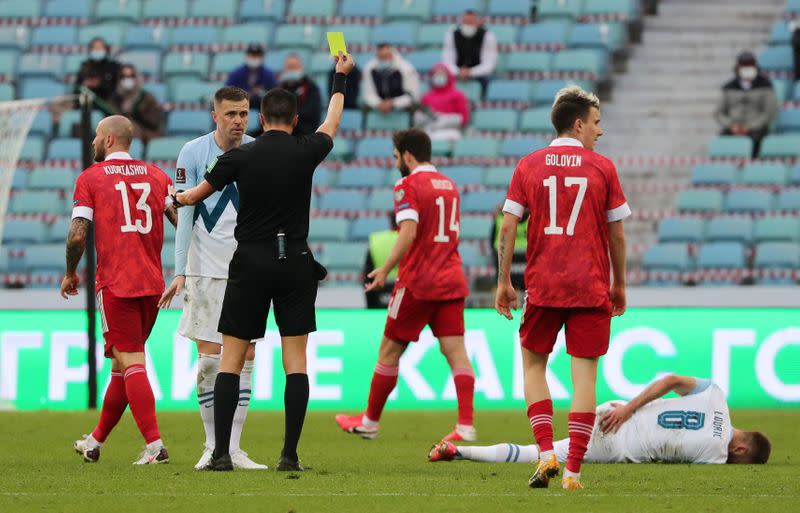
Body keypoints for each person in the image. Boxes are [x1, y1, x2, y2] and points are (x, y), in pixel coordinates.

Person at [173, 53, 357, 471]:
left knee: (232, 359)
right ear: (294, 121)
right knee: (296, 362)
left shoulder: (242, 156)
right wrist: (340, 78)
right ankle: (289, 454)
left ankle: (220, 453)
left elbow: (196, 194)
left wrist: (176, 198)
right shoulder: (307, 149)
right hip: (294, 260)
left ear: (259, 117)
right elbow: (331, 122)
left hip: (250, 261)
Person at [495, 86, 629, 490]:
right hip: (590, 286)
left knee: (533, 366)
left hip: (544, 284)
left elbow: (507, 225)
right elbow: (617, 235)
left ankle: (546, 452)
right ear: (578, 123)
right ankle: (573, 472)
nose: (599, 131)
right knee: (585, 379)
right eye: (596, 122)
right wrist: (619, 283)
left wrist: (504, 281)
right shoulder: (602, 168)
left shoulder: (529, 165)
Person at [335, 129, 476, 443]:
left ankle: (369, 421)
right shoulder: (449, 185)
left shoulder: (407, 184)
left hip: (418, 282)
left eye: (396, 156)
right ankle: (465, 424)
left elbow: (409, 231)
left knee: (388, 351)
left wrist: (384, 269)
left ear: (408, 155)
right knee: (456, 353)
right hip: (451, 279)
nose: (395, 162)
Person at [158, 87, 265, 470]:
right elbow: (184, 211)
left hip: (246, 270)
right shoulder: (193, 152)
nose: (239, 120)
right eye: (232, 114)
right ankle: (210, 445)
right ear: (215, 116)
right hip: (204, 267)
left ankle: (233, 448)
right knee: (209, 360)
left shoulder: (258, 149)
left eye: (244, 113)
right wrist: (180, 270)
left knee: (246, 357)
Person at [63, 115, 176, 465]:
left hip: (117, 283)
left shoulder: (91, 178)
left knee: (131, 361)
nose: (93, 142)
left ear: (109, 139)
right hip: (153, 284)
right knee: (122, 366)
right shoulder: (158, 176)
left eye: (97, 136)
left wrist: (70, 272)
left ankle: (155, 446)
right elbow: (181, 222)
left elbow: (78, 234)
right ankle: (95, 441)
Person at [428, 375, 771, 466]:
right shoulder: (715, 453)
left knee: (542, 451)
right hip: (613, 445)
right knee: (536, 454)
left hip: (612, 411)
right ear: (740, 449)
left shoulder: (716, 394)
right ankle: (460, 452)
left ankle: (458, 451)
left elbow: (669, 381)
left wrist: (628, 408)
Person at [714, 51, 778, 158]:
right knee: (721, 142)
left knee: (755, 141)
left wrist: (750, 126)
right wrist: (731, 125)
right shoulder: (728, 87)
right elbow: (719, 112)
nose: (747, 68)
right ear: (738, 67)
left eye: (750, 65)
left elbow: (769, 112)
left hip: (756, 128)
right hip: (733, 127)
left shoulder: (765, 85)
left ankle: (752, 169)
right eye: (744, 65)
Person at [442, 10, 499, 98]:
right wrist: (458, 71)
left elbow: (489, 64)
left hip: (480, 74)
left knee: (491, 82)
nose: (467, 25)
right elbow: (447, 60)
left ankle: (484, 102)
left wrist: (470, 72)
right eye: (465, 22)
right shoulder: (451, 35)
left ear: (478, 22)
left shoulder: (488, 36)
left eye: (470, 22)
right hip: (457, 72)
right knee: (440, 79)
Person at [414, 64, 470, 141]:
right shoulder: (426, 97)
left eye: (441, 74)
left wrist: (445, 120)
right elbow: (420, 115)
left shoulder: (458, 95)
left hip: (451, 131)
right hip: (430, 130)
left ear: (448, 76)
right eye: (436, 74)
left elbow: (464, 118)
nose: (438, 77)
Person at [110, 64, 162, 143]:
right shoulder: (114, 99)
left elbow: (154, 121)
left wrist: (135, 112)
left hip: (146, 135)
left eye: (131, 76)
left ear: (136, 78)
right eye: (123, 76)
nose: (127, 79)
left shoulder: (147, 98)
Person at [362, 43, 421, 114]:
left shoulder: (407, 68)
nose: (384, 59)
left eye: (387, 56)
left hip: (403, 109)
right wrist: (379, 104)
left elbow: (412, 95)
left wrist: (393, 103)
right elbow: (368, 94)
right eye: (381, 57)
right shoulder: (370, 68)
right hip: (379, 109)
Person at [74, 37, 121, 116]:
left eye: (100, 48)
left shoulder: (113, 66)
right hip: (86, 104)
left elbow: (117, 88)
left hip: (107, 103)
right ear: (90, 50)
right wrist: (85, 84)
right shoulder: (85, 66)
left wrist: (99, 83)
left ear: (106, 49)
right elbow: (77, 88)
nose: (97, 50)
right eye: (95, 48)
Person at [225, 43, 278, 110]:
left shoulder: (269, 75)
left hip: (262, 105)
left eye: (257, 55)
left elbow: (275, 94)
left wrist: (262, 92)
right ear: (246, 56)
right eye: (252, 55)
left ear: (262, 57)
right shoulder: (236, 74)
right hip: (239, 105)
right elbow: (227, 92)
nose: (254, 58)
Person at [278, 54, 322, 136]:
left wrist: (287, 117)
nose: (292, 70)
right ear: (284, 69)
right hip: (281, 132)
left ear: (301, 68)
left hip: (304, 132)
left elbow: (312, 113)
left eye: (294, 67)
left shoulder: (311, 88)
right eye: (289, 67)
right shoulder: (278, 88)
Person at [363, 212, 398, 309]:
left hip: (380, 290)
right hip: (405, 291)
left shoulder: (377, 240)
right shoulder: (411, 239)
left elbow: (368, 274)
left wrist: (370, 306)